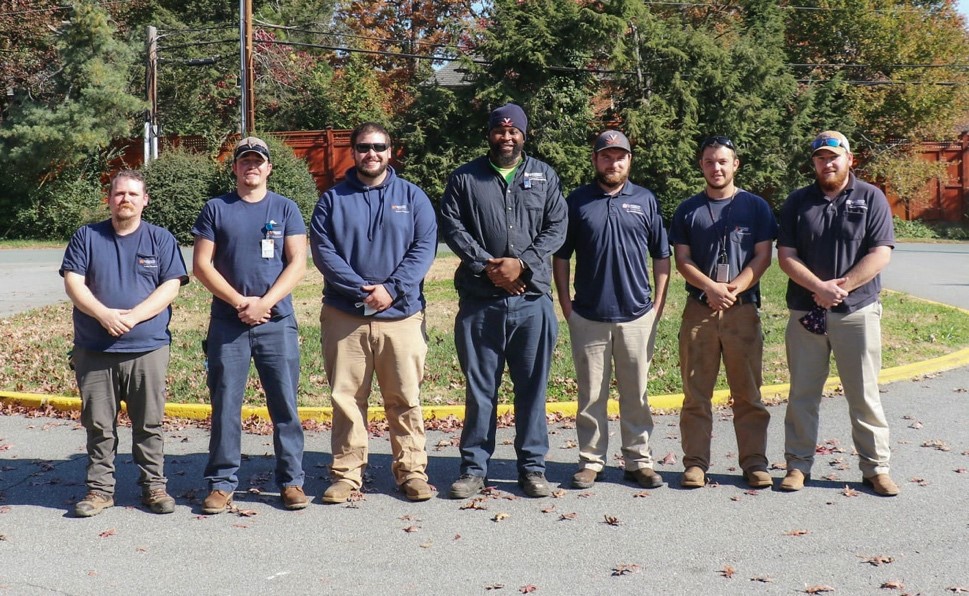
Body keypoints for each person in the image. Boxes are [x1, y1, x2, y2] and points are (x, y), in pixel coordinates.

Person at [440, 103, 567, 499]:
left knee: (532, 389)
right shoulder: (465, 178)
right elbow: (452, 225)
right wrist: (489, 267)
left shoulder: (544, 176)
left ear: (524, 135)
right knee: (481, 390)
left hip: (532, 303)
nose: (506, 137)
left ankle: (532, 468)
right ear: (490, 133)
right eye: (500, 130)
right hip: (481, 303)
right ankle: (474, 469)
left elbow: (557, 226)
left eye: (514, 131)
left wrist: (522, 266)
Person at [310, 122, 437, 503]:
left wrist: (391, 289)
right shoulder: (332, 200)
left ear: (390, 150)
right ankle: (347, 475)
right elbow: (324, 251)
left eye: (379, 146)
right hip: (345, 316)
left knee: (405, 397)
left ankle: (412, 471)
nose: (372, 153)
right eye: (364, 147)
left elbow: (424, 248)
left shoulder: (413, 197)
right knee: (347, 398)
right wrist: (360, 290)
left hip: (402, 315)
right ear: (354, 151)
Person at [61, 169, 188, 517]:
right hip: (95, 349)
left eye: (133, 194)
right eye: (119, 194)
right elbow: (74, 283)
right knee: (99, 425)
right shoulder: (87, 236)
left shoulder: (160, 239)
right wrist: (104, 315)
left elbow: (170, 286)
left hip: (147, 347)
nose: (126, 200)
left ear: (144, 199)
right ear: (110, 198)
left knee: (149, 423)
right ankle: (100, 491)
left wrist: (132, 317)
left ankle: (154, 488)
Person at [777, 130, 898, 496]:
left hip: (857, 312)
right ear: (813, 163)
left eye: (834, 156)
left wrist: (840, 288)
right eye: (820, 158)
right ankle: (798, 466)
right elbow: (786, 256)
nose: (827, 163)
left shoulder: (871, 197)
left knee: (863, 394)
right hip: (806, 313)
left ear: (849, 159)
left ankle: (876, 468)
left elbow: (881, 253)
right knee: (802, 393)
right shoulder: (798, 202)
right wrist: (819, 288)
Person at [192, 136, 309, 513]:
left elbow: (297, 264)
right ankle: (222, 483)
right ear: (236, 168)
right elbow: (202, 266)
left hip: (277, 323)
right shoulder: (216, 209)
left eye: (258, 161)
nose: (252, 167)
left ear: (269, 168)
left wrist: (265, 304)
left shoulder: (286, 208)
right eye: (245, 161)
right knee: (226, 404)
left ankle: (291, 481)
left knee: (285, 404)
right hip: (229, 323)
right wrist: (242, 303)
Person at [552, 130, 670, 490]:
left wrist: (658, 305)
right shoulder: (577, 201)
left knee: (637, 394)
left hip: (637, 315)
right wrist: (567, 305)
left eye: (620, 156)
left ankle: (639, 461)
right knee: (590, 395)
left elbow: (661, 256)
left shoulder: (646, 200)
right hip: (588, 314)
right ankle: (591, 461)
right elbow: (561, 256)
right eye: (606, 156)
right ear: (595, 160)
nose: (613, 162)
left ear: (629, 161)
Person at [669, 136, 777, 490]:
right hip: (699, 310)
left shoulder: (756, 206)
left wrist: (735, 288)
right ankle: (695, 464)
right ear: (702, 166)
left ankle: (755, 463)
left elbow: (763, 255)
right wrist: (710, 289)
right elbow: (681, 259)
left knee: (748, 392)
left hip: (742, 310)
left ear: (736, 165)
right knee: (695, 392)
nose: (716, 168)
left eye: (723, 162)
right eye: (710, 162)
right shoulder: (688, 209)